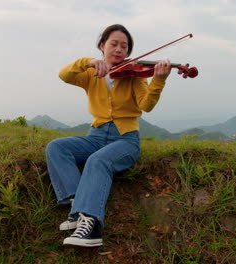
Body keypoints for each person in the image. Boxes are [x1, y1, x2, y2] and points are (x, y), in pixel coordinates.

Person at [45, 24, 171, 247]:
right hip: (95, 136)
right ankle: (76, 208)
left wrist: (158, 80)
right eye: (114, 44)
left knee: (98, 160)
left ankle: (91, 227)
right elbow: (63, 75)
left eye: (124, 46)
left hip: (126, 139)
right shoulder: (90, 73)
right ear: (102, 46)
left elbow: (146, 105)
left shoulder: (134, 76)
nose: (119, 49)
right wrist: (88, 62)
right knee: (56, 147)